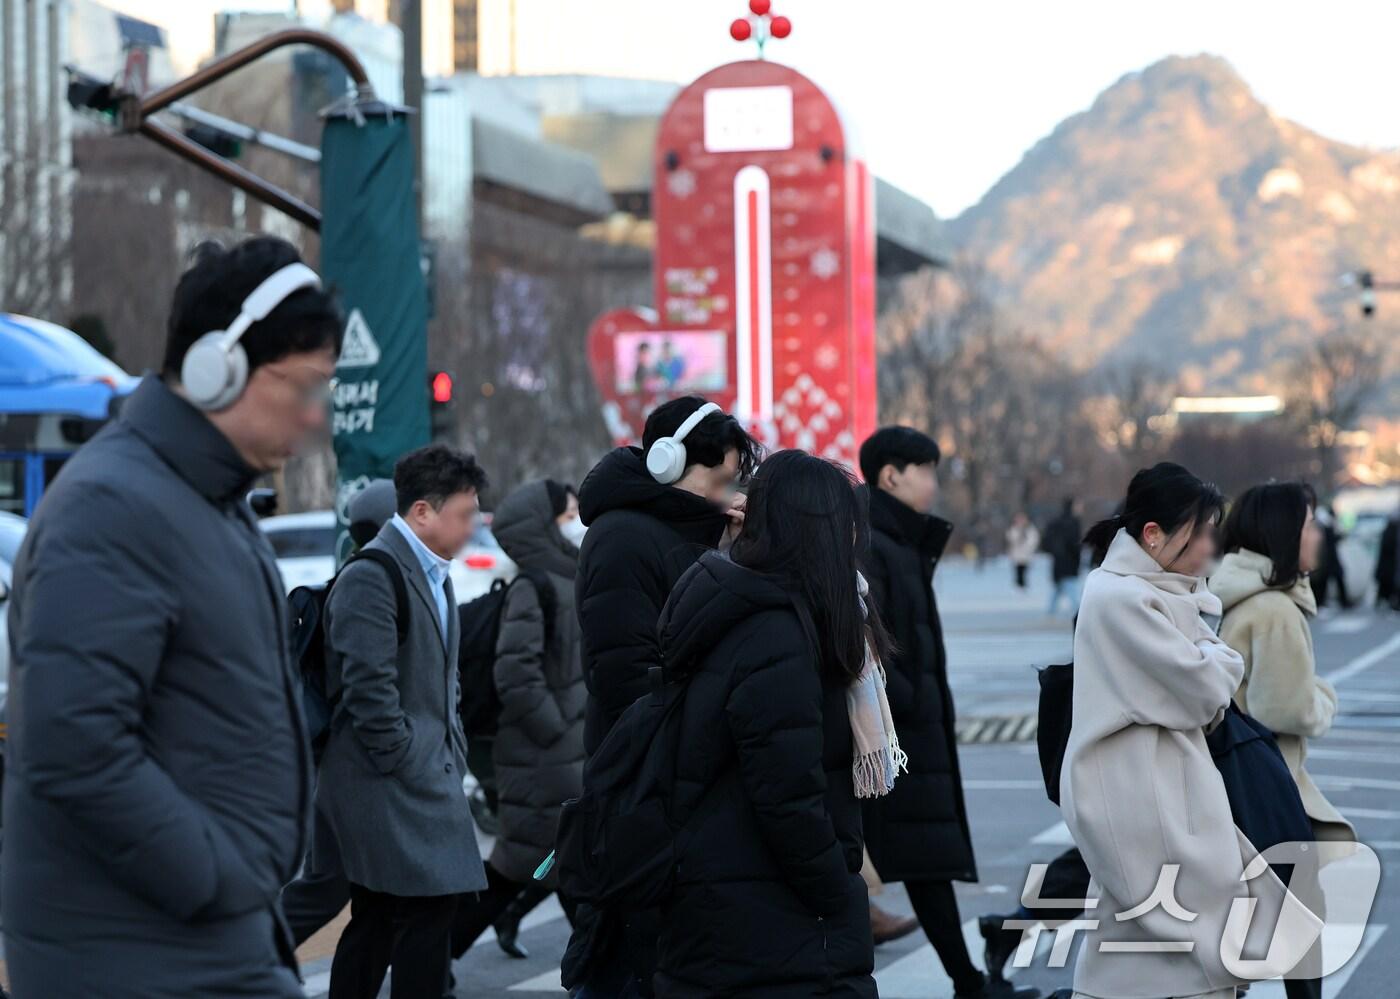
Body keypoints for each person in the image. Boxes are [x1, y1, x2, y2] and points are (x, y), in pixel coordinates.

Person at [2, 237, 339, 996]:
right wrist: (218, 876)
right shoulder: (111, 507)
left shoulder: (203, 500)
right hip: (144, 949)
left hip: (192, 937)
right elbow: (72, 745)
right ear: (219, 365)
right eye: (305, 385)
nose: (315, 414)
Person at [653, 449, 893, 997]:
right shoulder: (775, 632)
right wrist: (836, 889)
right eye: (845, 526)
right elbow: (787, 794)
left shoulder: (765, 610)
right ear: (815, 532)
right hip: (764, 909)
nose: (853, 541)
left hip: (742, 898)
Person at [1062, 462, 1304, 999]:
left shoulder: (1159, 591)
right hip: (1137, 788)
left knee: (1157, 935)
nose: (1211, 547)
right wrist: (1215, 657)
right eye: (1202, 533)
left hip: (1163, 779)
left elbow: (1205, 671)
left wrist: (1210, 654)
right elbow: (1205, 687)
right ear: (1154, 535)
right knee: (1183, 929)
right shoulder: (1121, 598)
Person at [565, 396, 760, 997]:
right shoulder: (622, 538)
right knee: (632, 960)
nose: (727, 495)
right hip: (644, 780)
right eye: (719, 480)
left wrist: (731, 554)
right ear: (668, 464)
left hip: (682, 775)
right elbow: (625, 677)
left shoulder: (688, 533)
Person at [857, 427, 1036, 999]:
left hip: (910, 728)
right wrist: (910, 702)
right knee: (920, 859)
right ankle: (967, 982)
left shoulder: (900, 539)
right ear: (891, 475)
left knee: (920, 858)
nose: (934, 482)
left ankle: (967, 980)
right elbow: (872, 640)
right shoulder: (875, 541)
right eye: (927, 470)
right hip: (897, 733)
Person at [318, 444, 489, 999]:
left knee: (381, 917)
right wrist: (406, 755)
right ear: (422, 512)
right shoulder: (373, 574)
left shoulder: (433, 570)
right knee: (424, 911)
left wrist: (449, 746)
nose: (472, 526)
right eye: (464, 514)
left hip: (420, 771)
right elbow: (368, 688)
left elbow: (442, 675)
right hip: (387, 779)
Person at [1213, 482, 1357, 999]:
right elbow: (1285, 708)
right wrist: (1325, 697)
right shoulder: (1275, 610)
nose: (1318, 535)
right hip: (1267, 781)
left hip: (1234, 777)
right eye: (1310, 525)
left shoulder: (1242, 597)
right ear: (1284, 533)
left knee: (1258, 911)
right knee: (1299, 909)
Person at [450, 479, 587, 960]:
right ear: (542, 526)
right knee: (551, 863)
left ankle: (436, 954)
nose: (577, 525)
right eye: (568, 516)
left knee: (538, 861)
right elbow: (515, 671)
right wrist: (555, 729)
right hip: (544, 753)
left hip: (564, 751)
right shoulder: (534, 585)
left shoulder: (570, 576)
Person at [281, 478, 398, 947]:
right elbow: (366, 686)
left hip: (351, 764)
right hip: (349, 767)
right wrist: (399, 747)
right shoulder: (364, 585)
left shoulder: (376, 579)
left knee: (373, 894)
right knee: (328, 887)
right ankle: (240, 959)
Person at [1042, 498, 1084, 618]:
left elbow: (1046, 542)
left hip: (1058, 562)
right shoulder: (1073, 523)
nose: (1080, 508)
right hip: (1069, 563)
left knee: (1058, 588)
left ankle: (1050, 612)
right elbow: (1074, 545)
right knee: (1071, 589)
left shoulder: (1056, 522)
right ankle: (1079, 614)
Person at [1308, 503, 1352, 610]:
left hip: (1327, 559)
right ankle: (1323, 603)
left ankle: (1323, 603)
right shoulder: (1325, 524)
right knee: (1325, 582)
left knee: (1328, 581)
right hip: (1326, 559)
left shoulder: (1324, 523)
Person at [1006, 512, 1040, 590]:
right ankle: (1018, 585)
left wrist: (1028, 546)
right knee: (1018, 570)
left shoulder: (1030, 529)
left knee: (1024, 569)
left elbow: (1034, 540)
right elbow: (1010, 538)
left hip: (1026, 553)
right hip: (1017, 554)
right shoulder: (1014, 528)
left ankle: (1023, 586)